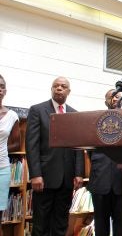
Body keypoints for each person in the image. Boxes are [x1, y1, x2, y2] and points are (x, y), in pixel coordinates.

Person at [25, 76, 84, 236]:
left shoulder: (74, 114)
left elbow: (78, 146)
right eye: (56, 86)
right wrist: (35, 175)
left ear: (68, 91)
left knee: (61, 223)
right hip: (44, 178)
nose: (59, 88)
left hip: (66, 179)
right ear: (51, 89)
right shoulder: (37, 110)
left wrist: (79, 173)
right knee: (41, 224)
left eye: (63, 86)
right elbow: (32, 145)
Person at [87, 89, 122, 236]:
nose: (115, 99)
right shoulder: (96, 120)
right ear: (105, 102)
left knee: (121, 224)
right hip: (99, 180)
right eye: (111, 97)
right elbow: (90, 149)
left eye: (117, 96)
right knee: (101, 225)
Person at [0, 74, 20, 236]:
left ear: (5, 91)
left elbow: (16, 144)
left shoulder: (12, 115)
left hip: (2, 168)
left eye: (1, 86)